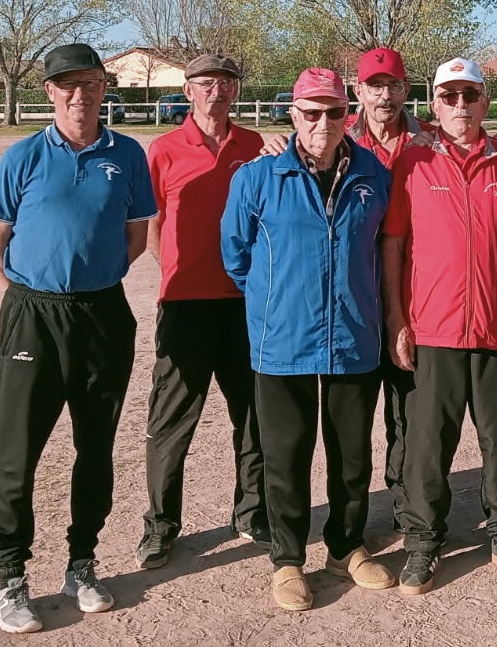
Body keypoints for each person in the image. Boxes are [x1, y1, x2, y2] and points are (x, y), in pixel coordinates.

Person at [0, 43, 156, 633]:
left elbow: (135, 236)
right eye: (66, 85)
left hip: (102, 315)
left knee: (96, 446)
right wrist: (36, 293)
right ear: (50, 91)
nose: (79, 95)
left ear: (105, 88)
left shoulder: (127, 155)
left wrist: (91, 282)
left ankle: (82, 564)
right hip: (33, 315)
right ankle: (10, 576)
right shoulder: (24, 155)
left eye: (90, 83)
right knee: (17, 452)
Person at [222, 67, 395, 611]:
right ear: (293, 114)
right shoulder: (258, 177)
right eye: (312, 112)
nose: (324, 122)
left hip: (353, 336)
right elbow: (236, 255)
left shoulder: (374, 173)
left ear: (351, 115)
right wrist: (278, 302)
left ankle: (346, 546)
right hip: (282, 342)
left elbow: (385, 249)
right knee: (285, 456)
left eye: (335, 111)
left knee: (350, 456)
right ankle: (288, 559)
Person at [383, 58, 497, 595]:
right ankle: (422, 543)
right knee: (427, 446)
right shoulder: (411, 163)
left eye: (470, 95)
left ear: (486, 103)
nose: (460, 105)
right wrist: (397, 319)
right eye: (449, 96)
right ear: (433, 104)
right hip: (432, 330)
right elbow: (393, 245)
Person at [261, 48, 432, 531]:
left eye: (393, 84)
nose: (384, 94)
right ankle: (278, 527)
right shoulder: (332, 136)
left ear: (406, 89)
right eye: (374, 85)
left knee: (407, 413)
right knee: (333, 429)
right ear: (358, 92)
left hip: (409, 298)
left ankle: (404, 509)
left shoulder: (431, 142)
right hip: (346, 305)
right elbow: (240, 253)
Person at [136, 54, 269, 571]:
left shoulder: (255, 147)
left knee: (254, 414)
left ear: (235, 91)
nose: (216, 92)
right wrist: (172, 262)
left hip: (243, 306)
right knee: (171, 423)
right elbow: (148, 218)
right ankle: (160, 525)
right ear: (188, 90)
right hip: (185, 304)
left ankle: (252, 511)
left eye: (226, 83)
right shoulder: (165, 150)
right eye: (205, 84)